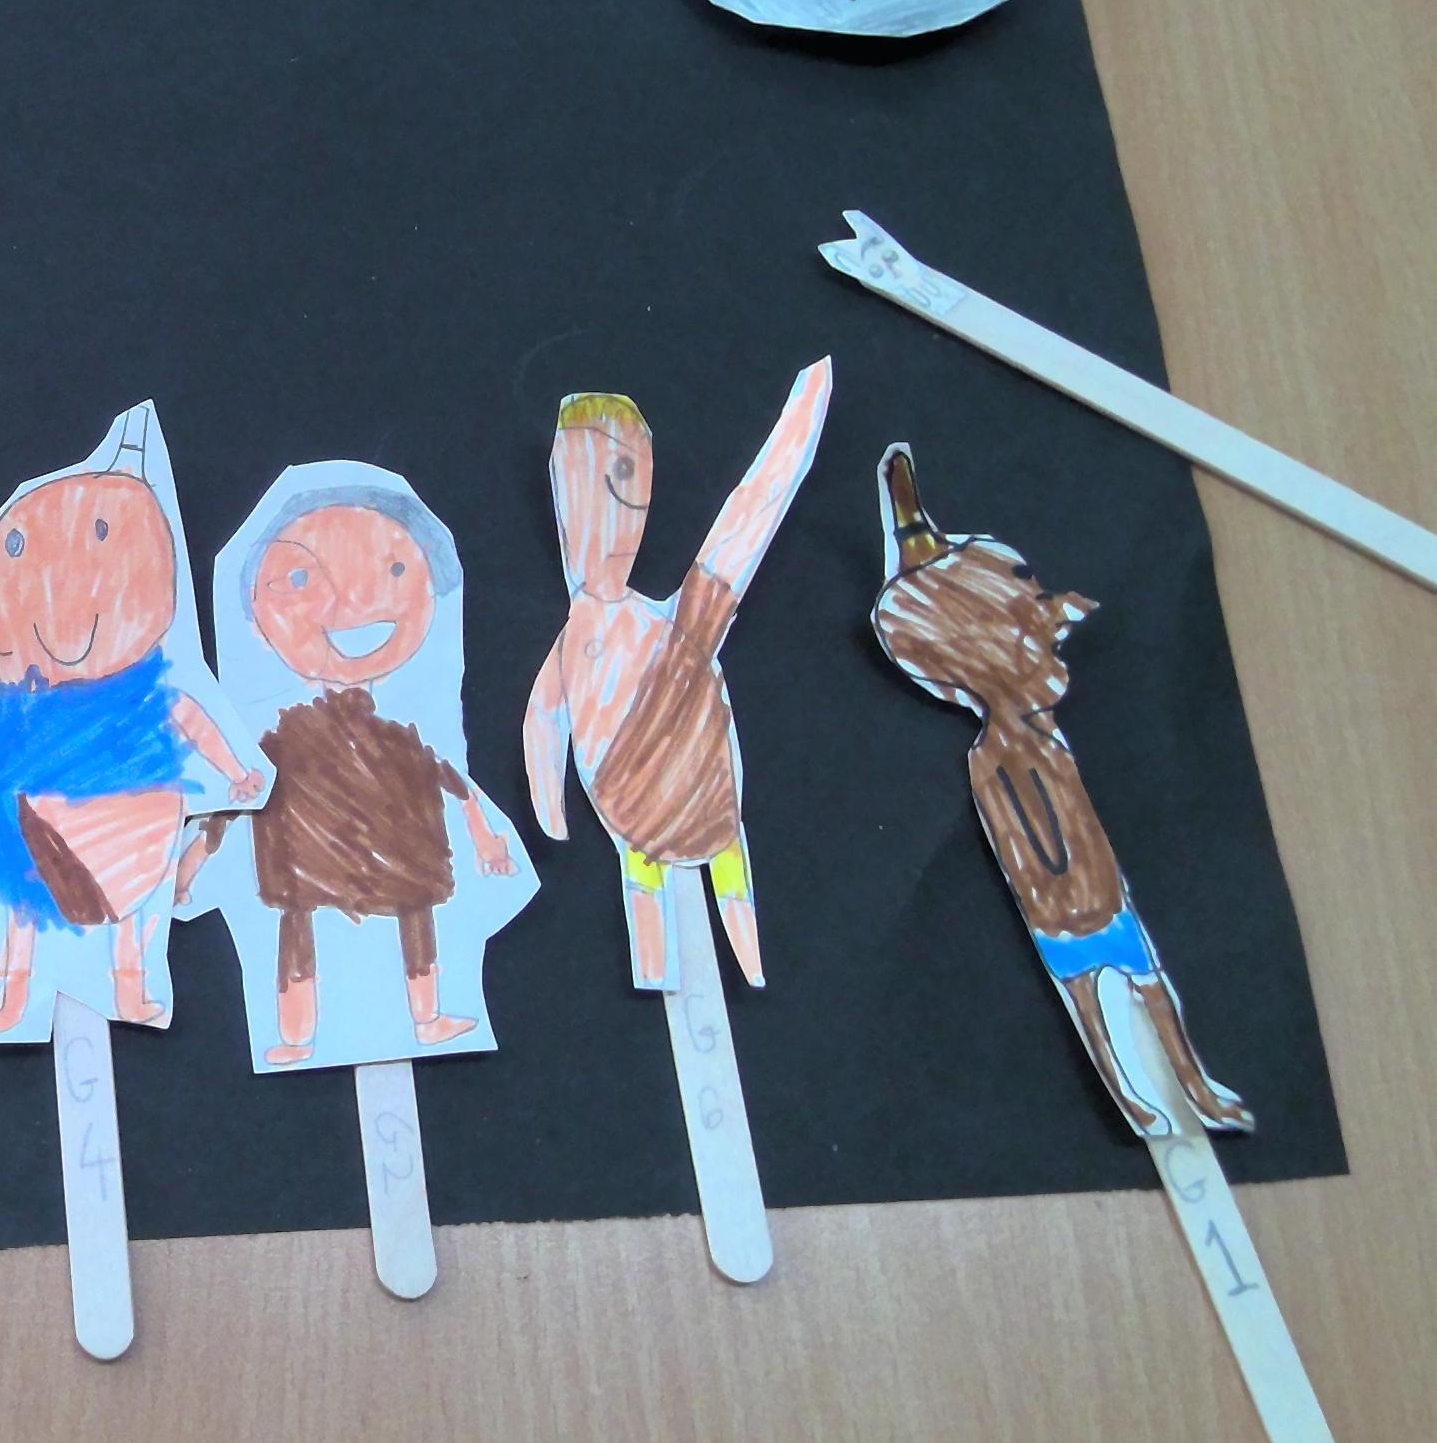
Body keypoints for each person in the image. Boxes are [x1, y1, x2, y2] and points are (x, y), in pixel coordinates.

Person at [869, 443, 1250, 1136]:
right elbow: (1030, 844)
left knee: (1149, 990)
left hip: (1103, 900)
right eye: (1029, 632)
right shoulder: (993, 756)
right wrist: (1064, 901)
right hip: (1065, 914)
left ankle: (1196, 1087)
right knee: (1095, 1007)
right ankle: (1135, 1101)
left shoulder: (1038, 737)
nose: (1049, 637)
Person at [0, 402, 266, 1033]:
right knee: (23, 914)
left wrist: (237, 773)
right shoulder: (2, 713)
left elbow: (192, 720)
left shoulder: (144, 696)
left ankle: (130, 991)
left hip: (133, 848)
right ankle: (16, 999)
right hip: (31, 847)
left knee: (129, 921)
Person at [175, 470, 533, 1067]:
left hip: (399, 839)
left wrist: (486, 838)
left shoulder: (402, 736)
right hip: (305, 845)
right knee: (299, 918)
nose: (354, 602)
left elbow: (452, 781)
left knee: (414, 906)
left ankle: (424, 1018)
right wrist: (190, 864)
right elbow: (237, 800)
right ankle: (299, 1034)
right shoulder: (283, 741)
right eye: (300, 579)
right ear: (255, 615)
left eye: (392, 569)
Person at [522, 360, 831, 992]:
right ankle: (662, 968)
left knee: (722, 886)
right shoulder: (595, 636)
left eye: (622, 483)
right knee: (651, 891)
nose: (602, 519)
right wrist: (550, 803)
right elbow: (544, 719)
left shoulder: (685, 623)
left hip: (701, 796)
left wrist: (803, 415)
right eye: (581, 484)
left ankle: (739, 961)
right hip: (633, 809)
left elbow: (756, 508)